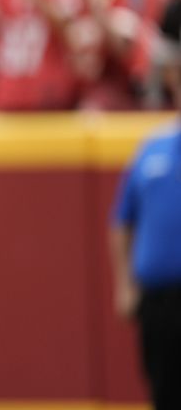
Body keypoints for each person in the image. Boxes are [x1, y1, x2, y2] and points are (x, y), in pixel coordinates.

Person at [110, 25, 181, 409]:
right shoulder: (152, 149)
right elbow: (121, 221)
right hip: (157, 304)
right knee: (163, 393)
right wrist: (124, 285)